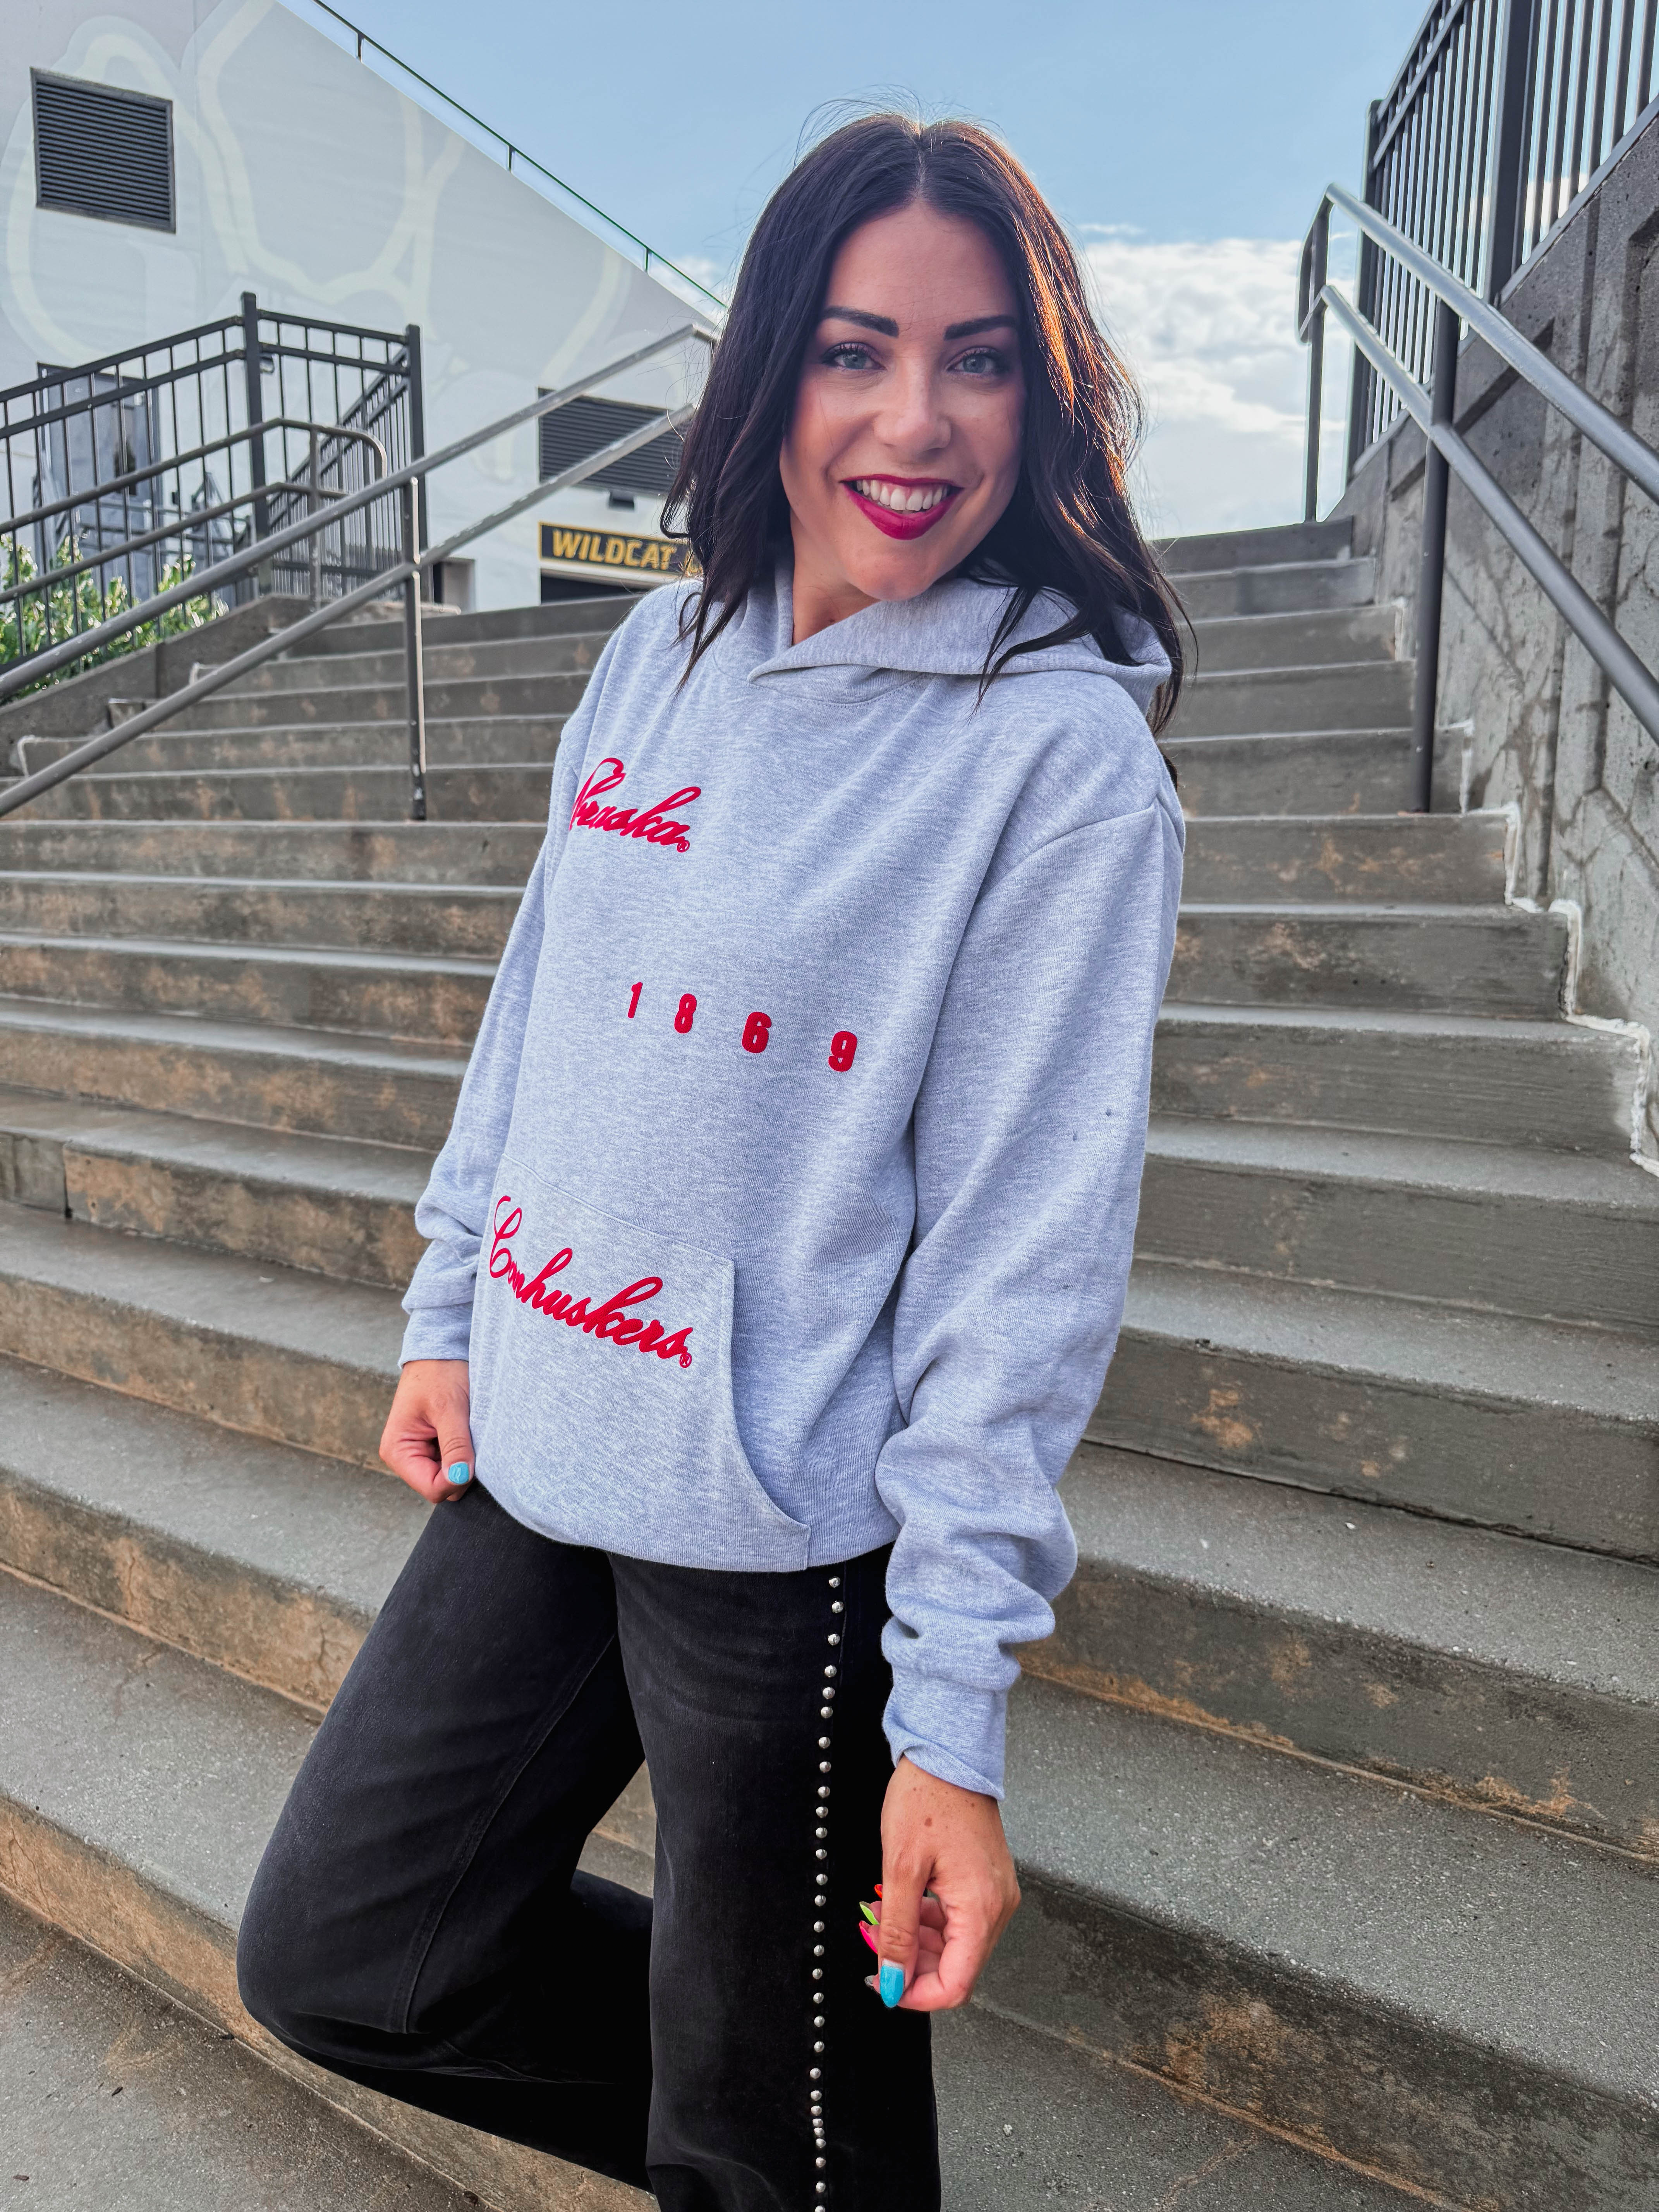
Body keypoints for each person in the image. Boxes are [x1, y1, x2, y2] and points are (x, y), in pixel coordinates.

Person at [237, 111, 1184, 2211]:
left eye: (980, 360)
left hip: (786, 1533)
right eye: (855, 351)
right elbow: (541, 1010)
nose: (916, 421)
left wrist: (951, 1720)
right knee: (350, 1960)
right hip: (547, 1436)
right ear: (770, 370)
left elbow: (1025, 1264)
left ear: (1044, 396)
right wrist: (451, 1301)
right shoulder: (653, 653)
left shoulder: (1058, 761)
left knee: (768, 2144)